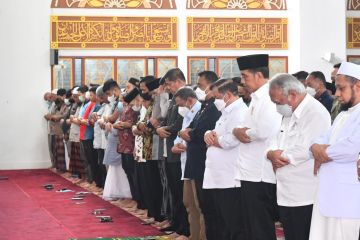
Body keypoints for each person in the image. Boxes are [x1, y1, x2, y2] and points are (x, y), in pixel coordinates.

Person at [267, 74, 331, 240]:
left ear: (292, 95)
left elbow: (306, 149)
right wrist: (271, 153)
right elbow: (274, 140)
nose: (276, 107)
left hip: (305, 195)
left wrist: (280, 156)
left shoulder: (315, 113)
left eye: (277, 102)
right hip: (286, 192)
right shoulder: (290, 112)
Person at [233, 54, 282, 240]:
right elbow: (242, 126)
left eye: (245, 76)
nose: (242, 81)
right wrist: (240, 130)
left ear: (259, 75)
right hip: (249, 171)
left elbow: (263, 130)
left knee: (260, 226)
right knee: (250, 225)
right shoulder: (256, 97)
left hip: (260, 173)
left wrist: (242, 132)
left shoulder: (269, 97)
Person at [309, 62, 360, 240]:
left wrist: (323, 153)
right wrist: (315, 148)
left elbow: (353, 147)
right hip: (328, 194)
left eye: (341, 88)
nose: (336, 94)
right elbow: (319, 139)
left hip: (348, 198)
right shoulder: (342, 115)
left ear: (358, 85)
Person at [203, 79, 248, 240]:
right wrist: (208, 133)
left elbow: (230, 141)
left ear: (228, 95)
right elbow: (214, 133)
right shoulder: (226, 112)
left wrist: (216, 139)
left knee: (233, 222)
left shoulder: (240, 112)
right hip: (217, 176)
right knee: (219, 219)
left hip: (230, 176)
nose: (215, 101)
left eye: (217, 97)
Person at [182, 71, 221, 240]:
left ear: (213, 87)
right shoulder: (205, 107)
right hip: (194, 162)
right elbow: (189, 129)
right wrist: (189, 133)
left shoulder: (214, 108)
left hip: (204, 163)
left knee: (205, 206)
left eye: (203, 86)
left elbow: (197, 133)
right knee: (193, 203)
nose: (201, 90)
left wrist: (191, 133)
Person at [156, 68, 189, 237]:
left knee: (182, 195)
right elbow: (165, 119)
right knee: (174, 192)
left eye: (169, 84)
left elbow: (178, 125)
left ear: (178, 81)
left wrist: (162, 128)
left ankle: (184, 228)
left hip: (179, 153)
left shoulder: (187, 98)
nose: (167, 88)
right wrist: (160, 127)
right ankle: (177, 225)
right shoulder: (173, 100)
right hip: (170, 152)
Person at [171, 87, 202, 240]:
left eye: (179, 104)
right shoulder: (187, 114)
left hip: (197, 164)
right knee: (188, 203)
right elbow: (181, 134)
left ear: (189, 100)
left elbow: (196, 136)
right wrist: (176, 144)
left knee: (198, 205)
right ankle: (193, 235)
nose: (178, 108)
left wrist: (185, 143)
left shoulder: (201, 112)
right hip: (186, 164)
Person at [102, 79, 132, 201]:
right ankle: (120, 194)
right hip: (115, 136)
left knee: (123, 170)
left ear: (114, 90)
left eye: (110, 93)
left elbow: (114, 118)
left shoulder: (123, 100)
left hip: (123, 139)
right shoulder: (117, 101)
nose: (110, 97)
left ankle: (126, 195)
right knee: (116, 169)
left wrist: (107, 120)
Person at [115, 79, 141, 207]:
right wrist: (119, 124)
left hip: (132, 142)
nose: (126, 90)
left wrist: (127, 124)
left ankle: (138, 200)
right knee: (127, 169)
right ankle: (133, 197)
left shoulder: (137, 102)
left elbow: (136, 121)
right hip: (123, 142)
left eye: (128, 87)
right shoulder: (125, 103)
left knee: (134, 171)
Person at [49, 88, 68, 172]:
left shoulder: (65, 106)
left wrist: (55, 117)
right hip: (56, 131)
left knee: (62, 151)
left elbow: (61, 116)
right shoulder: (57, 106)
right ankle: (59, 167)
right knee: (57, 150)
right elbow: (51, 116)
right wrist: (54, 117)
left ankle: (63, 169)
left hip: (62, 131)